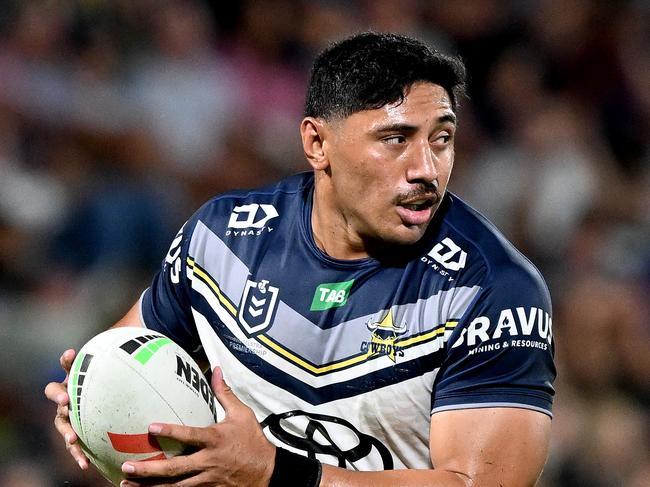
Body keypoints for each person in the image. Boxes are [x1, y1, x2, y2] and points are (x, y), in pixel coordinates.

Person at [45, 32, 556, 487]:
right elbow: (134, 353)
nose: (427, 168)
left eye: (441, 139)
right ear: (317, 143)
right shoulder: (222, 243)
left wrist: (275, 473)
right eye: (396, 139)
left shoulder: (494, 291)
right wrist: (90, 396)